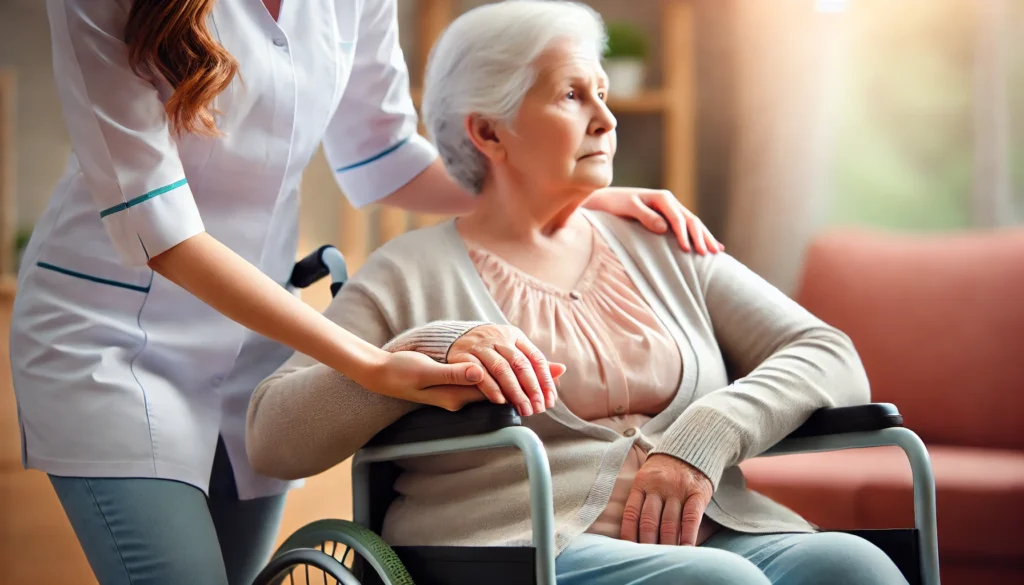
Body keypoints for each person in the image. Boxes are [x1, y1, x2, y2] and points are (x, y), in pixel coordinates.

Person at [9, 1, 723, 584]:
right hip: (112, 338)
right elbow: (162, 231)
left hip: (251, 343)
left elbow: (382, 158)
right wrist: (370, 363)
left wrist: (566, 188)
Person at [246, 2, 911, 584]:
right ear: (488, 131)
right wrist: (422, 349)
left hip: (713, 531)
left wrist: (708, 434)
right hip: (514, 548)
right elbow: (273, 433)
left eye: (603, 94)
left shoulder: (660, 242)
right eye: (571, 96)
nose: (605, 120)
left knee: (855, 567)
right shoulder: (409, 272)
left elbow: (827, 353)